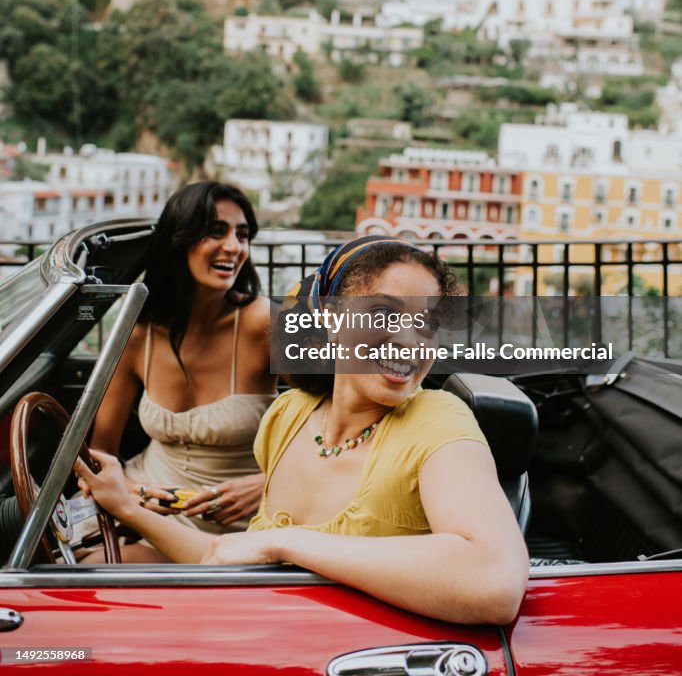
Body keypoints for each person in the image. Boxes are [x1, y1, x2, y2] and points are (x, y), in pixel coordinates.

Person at [77, 236, 528, 625]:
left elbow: (494, 582)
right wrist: (125, 505)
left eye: (426, 324)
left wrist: (283, 542)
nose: (410, 341)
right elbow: (221, 558)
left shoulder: (437, 421)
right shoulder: (286, 418)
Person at [91, 181, 276, 534]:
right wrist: (130, 492)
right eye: (215, 232)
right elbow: (102, 451)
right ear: (179, 241)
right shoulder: (137, 333)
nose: (234, 247)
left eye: (243, 235)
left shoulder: (274, 320)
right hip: (143, 511)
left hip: (243, 525)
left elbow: (349, 430)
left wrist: (268, 483)